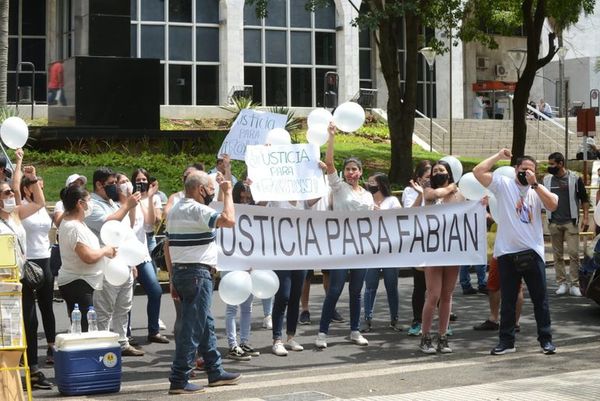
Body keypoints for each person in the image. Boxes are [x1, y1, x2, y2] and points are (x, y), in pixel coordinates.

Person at [473, 148, 558, 355]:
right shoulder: (504, 185)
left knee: (540, 300)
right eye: (523, 169)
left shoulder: (536, 190)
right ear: (515, 169)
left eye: (530, 170)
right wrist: (498, 156)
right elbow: (478, 171)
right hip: (507, 253)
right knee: (508, 300)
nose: (525, 173)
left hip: (533, 252)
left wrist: (535, 184)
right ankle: (507, 341)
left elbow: (554, 205)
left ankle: (545, 340)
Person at [165, 171, 241, 394]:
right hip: (197, 272)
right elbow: (229, 220)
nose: (212, 192)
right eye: (210, 188)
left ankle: (214, 370)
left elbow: (168, 245)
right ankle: (179, 378)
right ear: (200, 189)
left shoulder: (176, 208)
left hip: (182, 271)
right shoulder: (199, 209)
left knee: (205, 324)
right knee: (192, 327)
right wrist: (227, 193)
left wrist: (171, 278)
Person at [315, 124, 373, 349]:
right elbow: (329, 163)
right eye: (347, 169)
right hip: (340, 245)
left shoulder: (367, 195)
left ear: (360, 172)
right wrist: (331, 137)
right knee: (335, 290)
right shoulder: (338, 188)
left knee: (356, 291)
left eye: (354, 169)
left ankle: (355, 330)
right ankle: (322, 332)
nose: (351, 172)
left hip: (361, 248)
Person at [0, 156, 53, 389]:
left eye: (12, 193)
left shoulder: (15, 215)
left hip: (20, 281)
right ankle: (9, 375)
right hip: (3, 285)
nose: (11, 196)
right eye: (6, 194)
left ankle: (32, 370)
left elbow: (40, 203)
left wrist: (30, 177)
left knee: (29, 325)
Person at [85, 167, 144, 356]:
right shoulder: (92, 205)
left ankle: (122, 341)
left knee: (124, 305)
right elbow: (108, 224)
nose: (115, 187)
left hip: (123, 262)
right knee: (105, 307)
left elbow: (125, 231)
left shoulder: (112, 203)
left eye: (115, 183)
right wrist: (127, 206)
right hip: (106, 265)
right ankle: (104, 343)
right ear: (98, 184)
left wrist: (132, 262)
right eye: (111, 184)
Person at [417, 160, 463, 354]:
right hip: (434, 250)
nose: (437, 173)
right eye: (435, 171)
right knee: (433, 295)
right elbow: (435, 194)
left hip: (453, 250)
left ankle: (442, 336)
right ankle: (425, 336)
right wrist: (452, 186)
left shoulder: (460, 195)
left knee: (447, 295)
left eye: (441, 170)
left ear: (449, 173)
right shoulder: (428, 192)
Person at [20, 174, 57, 365]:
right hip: (29, 261)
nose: (40, 191)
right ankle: (27, 354)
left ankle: (52, 346)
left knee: (47, 306)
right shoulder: (22, 205)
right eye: (37, 187)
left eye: (42, 187)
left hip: (45, 259)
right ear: (27, 190)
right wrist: (19, 165)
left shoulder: (42, 209)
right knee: (29, 313)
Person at [129, 168, 169, 343]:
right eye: (138, 180)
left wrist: (150, 197)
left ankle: (153, 330)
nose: (142, 182)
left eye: (144, 179)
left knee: (155, 290)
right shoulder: (129, 200)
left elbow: (151, 222)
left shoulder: (152, 198)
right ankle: (126, 333)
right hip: (129, 249)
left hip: (146, 245)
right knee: (127, 294)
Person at [543, 152, 589, 297]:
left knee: (574, 253)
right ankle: (562, 283)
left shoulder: (574, 178)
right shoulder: (547, 180)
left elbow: (584, 199)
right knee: (557, 255)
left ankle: (574, 284)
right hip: (554, 222)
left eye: (552, 164)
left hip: (571, 222)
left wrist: (586, 217)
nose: (550, 166)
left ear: (561, 163)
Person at [362, 172, 402, 333]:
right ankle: (367, 319)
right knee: (370, 286)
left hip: (390, 251)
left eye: (372, 182)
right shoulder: (366, 200)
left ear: (381, 184)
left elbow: (398, 218)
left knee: (391, 286)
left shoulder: (392, 201)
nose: (369, 185)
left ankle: (394, 319)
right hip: (371, 250)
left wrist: (381, 213)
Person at [224, 181, 260, 361]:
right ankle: (232, 345)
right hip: (231, 263)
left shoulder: (253, 214)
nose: (245, 201)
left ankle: (244, 341)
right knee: (232, 306)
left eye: (248, 198)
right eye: (241, 198)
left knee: (247, 306)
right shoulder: (228, 211)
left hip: (249, 264)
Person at [402, 160, 431, 337]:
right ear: (419, 179)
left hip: (437, 244)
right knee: (420, 285)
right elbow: (409, 214)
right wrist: (421, 195)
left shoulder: (438, 190)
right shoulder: (409, 191)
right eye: (427, 177)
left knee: (437, 287)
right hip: (418, 244)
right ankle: (417, 321)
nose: (430, 180)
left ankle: (439, 321)